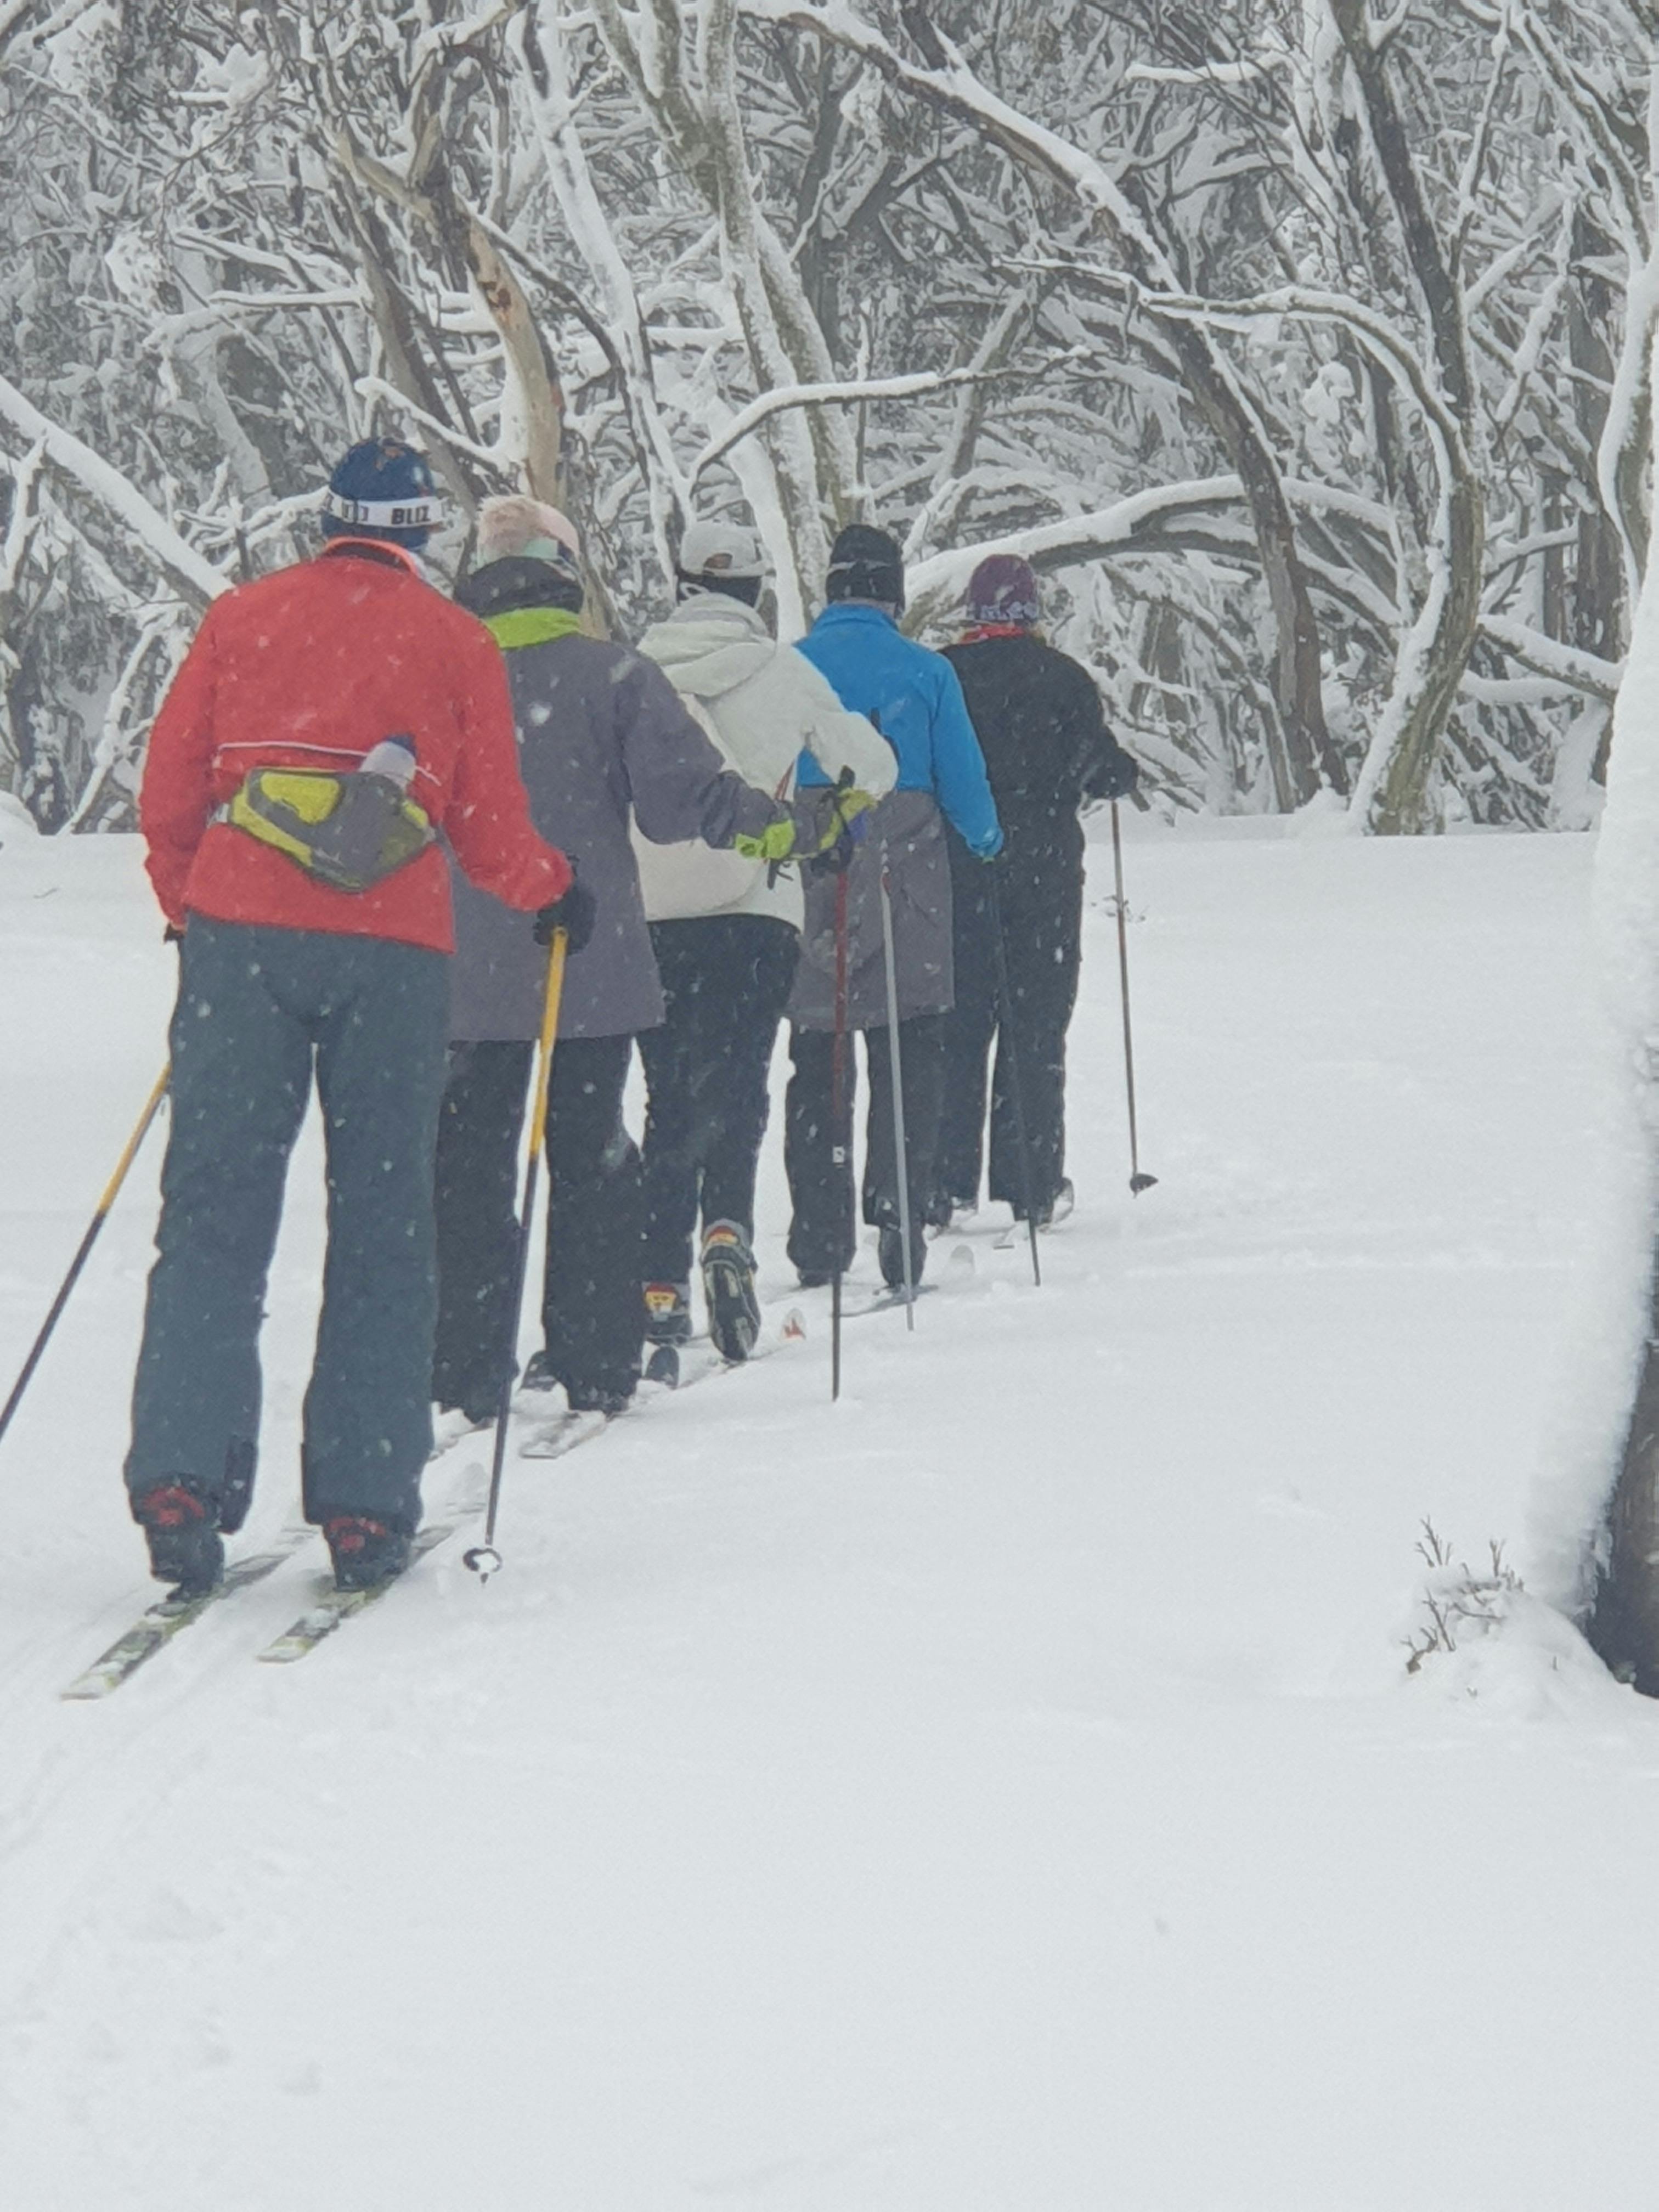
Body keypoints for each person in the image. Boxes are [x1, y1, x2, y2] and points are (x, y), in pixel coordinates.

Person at [129, 438, 582, 1594]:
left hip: (241, 941)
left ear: (326, 519)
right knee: (387, 1221)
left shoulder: (244, 616)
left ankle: (181, 1476)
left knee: (216, 1210)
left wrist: (198, 909)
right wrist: (554, 890)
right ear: (424, 530)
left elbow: (171, 789)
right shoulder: (454, 640)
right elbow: (488, 828)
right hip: (393, 948)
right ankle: (365, 1505)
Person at [435, 498, 870, 1423]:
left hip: (463, 968)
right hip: (583, 957)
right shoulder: (611, 675)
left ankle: (462, 1360)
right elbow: (686, 805)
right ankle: (594, 1356)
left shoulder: (438, 678)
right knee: (591, 1154)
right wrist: (787, 828)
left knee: (469, 1159)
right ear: (565, 572)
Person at [630, 520, 896, 1364]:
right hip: (757, 910)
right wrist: (825, 825)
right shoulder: (785, 670)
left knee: (667, 1094)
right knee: (740, 1079)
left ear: (679, 583)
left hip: (654, 911)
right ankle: (727, 1233)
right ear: (755, 592)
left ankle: (659, 1282)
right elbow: (874, 768)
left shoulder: (634, 671)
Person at [785, 524, 1002, 1291]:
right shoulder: (926, 672)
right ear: (892, 591)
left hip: (814, 874)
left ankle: (818, 1234)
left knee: (820, 1052)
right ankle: (899, 1216)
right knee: (910, 1050)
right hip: (907, 877)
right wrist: (985, 840)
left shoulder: (792, 669)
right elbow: (965, 784)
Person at [934, 554, 1139, 1227]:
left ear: (973, 612)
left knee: (957, 1024)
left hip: (958, 870)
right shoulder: (1064, 682)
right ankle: (1031, 1183)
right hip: (1044, 873)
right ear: (1032, 613)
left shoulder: (945, 678)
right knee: (1036, 1024)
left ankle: (948, 1179)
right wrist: (1109, 772)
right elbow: (1104, 769)